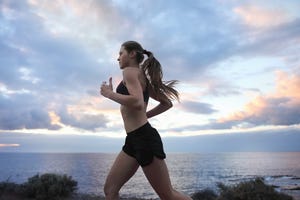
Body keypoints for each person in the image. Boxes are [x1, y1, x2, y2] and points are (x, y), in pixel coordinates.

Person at [100, 41, 192, 200]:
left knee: (168, 195)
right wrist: (145, 116)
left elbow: (137, 102)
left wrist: (109, 94)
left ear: (132, 54)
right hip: (133, 140)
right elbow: (166, 103)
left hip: (144, 139)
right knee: (110, 190)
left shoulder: (130, 72)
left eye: (121, 53)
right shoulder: (141, 77)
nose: (118, 58)